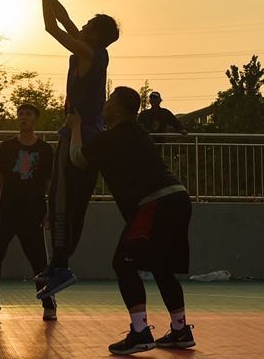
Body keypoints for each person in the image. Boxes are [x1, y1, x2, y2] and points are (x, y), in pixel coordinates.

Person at [67, 86, 195, 354]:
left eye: (111, 98)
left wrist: (76, 126)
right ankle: (180, 330)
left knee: (123, 263)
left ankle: (140, 332)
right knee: (162, 267)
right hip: (178, 198)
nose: (105, 102)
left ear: (120, 109)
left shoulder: (113, 137)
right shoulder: (139, 133)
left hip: (155, 202)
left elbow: (78, 159)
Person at [29, 0, 120, 299]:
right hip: (77, 134)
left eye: (86, 26)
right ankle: (57, 265)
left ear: (94, 36)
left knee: (66, 204)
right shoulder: (92, 50)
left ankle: (62, 266)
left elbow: (51, 26)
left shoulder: (88, 53)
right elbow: (65, 20)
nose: (79, 27)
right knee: (63, 203)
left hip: (82, 137)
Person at [0, 103, 57, 321]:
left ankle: (48, 303)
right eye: (20, 114)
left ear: (35, 120)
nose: (23, 118)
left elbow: (50, 183)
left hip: (33, 212)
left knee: (38, 261)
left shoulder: (44, 149)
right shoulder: (7, 147)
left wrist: (50, 210)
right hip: (7, 211)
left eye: (28, 115)